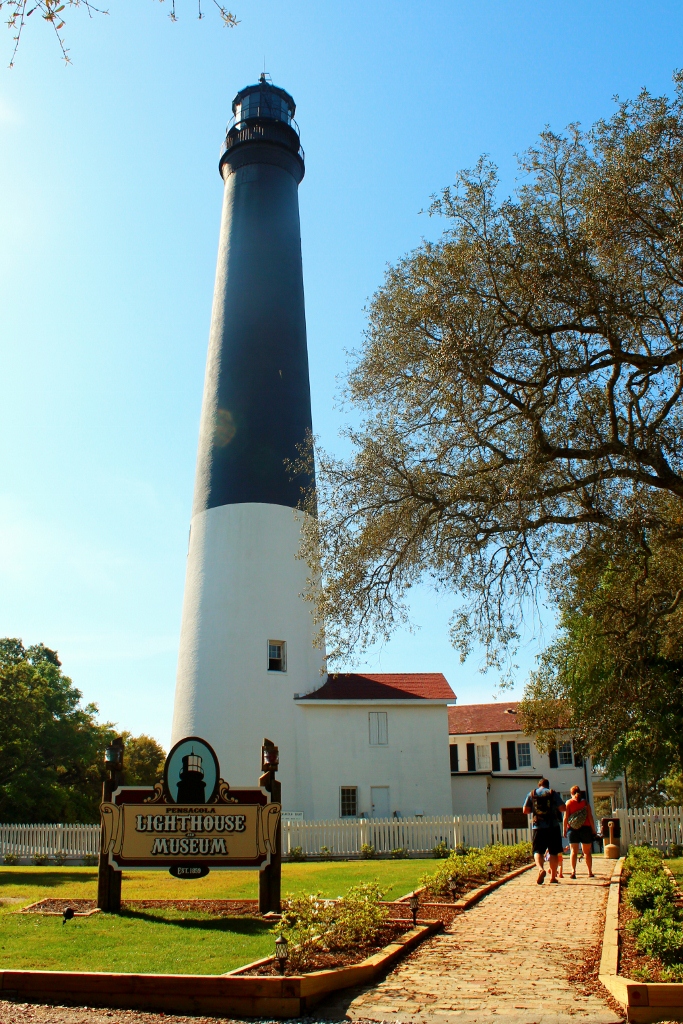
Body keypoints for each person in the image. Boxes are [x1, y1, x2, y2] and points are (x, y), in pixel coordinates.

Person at [523, 777, 566, 884]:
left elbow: (525, 810)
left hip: (538, 826)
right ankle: (553, 877)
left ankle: (540, 869)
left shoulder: (532, 794)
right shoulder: (552, 793)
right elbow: (563, 808)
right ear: (548, 785)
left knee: (538, 851)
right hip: (553, 826)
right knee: (554, 852)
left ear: (539, 785)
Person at [563, 785, 595, 879]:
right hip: (585, 828)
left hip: (572, 829)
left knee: (573, 851)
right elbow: (590, 817)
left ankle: (573, 871)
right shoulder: (585, 803)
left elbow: (565, 818)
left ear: (571, 793)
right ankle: (590, 872)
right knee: (587, 852)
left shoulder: (568, 803)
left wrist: (564, 830)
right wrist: (593, 830)